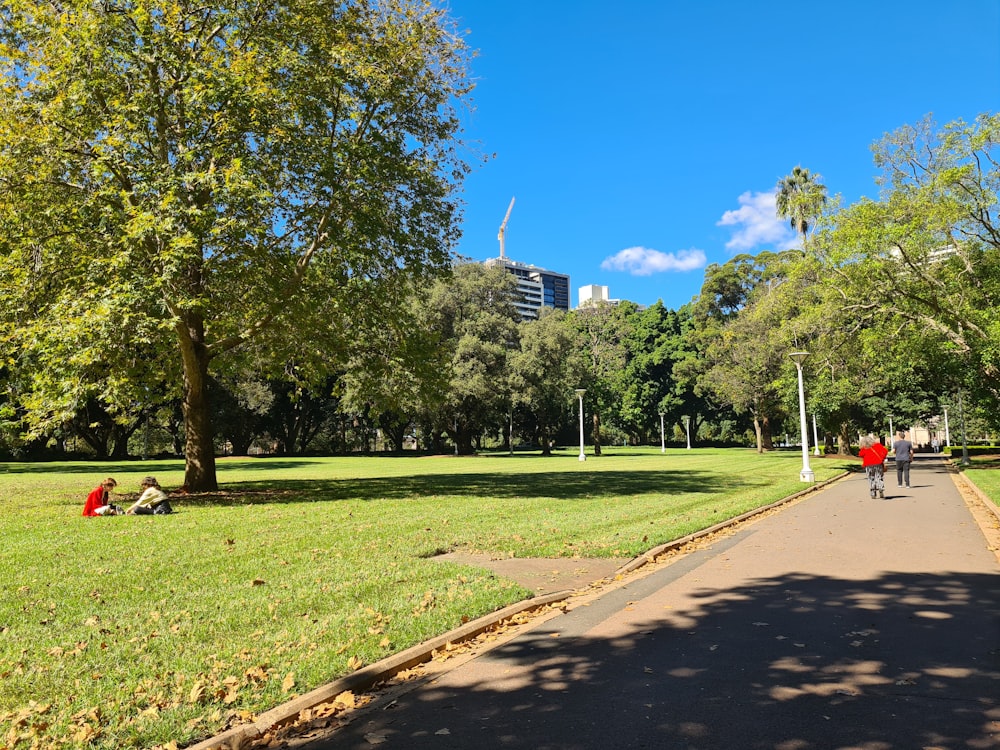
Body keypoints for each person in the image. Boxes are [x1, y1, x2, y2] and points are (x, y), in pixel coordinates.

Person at [858, 435, 888, 499]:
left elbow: (860, 454)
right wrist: (882, 458)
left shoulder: (864, 448)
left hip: (868, 465)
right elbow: (885, 451)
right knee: (879, 476)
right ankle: (880, 487)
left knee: (871, 478)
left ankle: (873, 493)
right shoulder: (878, 445)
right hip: (878, 463)